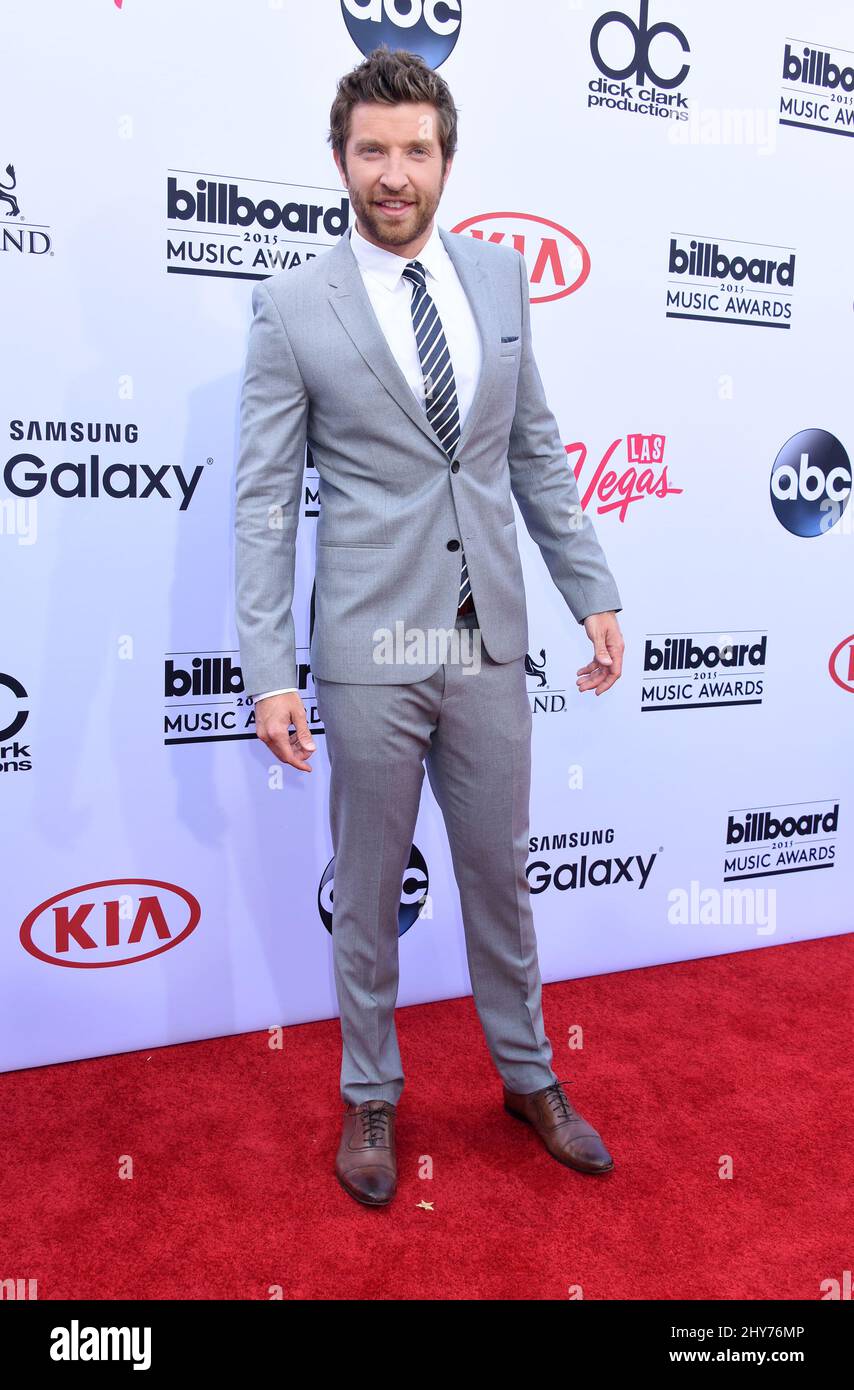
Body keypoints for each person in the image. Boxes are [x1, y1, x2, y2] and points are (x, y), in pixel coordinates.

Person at [234, 45, 625, 1207]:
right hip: (367, 649)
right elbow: (263, 503)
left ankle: (527, 1075)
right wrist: (269, 668)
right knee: (367, 885)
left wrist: (589, 589)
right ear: (341, 161)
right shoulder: (292, 307)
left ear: (444, 156)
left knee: (500, 873)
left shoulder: (498, 281)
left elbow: (533, 453)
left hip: (486, 642)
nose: (393, 173)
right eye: (371, 152)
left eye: (414, 149)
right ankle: (368, 1094)